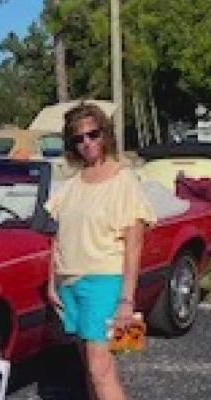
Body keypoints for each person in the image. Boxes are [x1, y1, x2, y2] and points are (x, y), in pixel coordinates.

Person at [44, 102, 156, 400]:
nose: (87, 143)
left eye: (93, 135)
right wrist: (51, 283)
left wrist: (126, 301)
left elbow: (134, 246)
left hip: (104, 283)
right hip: (70, 283)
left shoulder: (124, 181)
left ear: (105, 135)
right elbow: (57, 236)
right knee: (89, 367)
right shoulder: (71, 185)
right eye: (78, 138)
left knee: (100, 370)